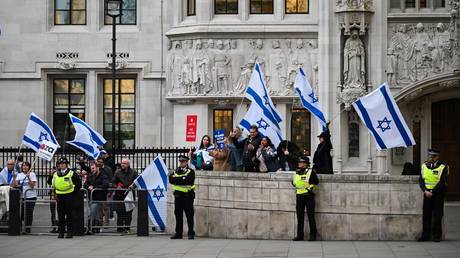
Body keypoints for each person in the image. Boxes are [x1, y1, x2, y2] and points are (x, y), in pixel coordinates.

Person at [418, 149, 449, 242]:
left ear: (437, 157)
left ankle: (437, 235)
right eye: (430, 156)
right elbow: (421, 180)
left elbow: (443, 182)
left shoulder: (443, 167)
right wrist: (425, 191)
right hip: (427, 194)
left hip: (438, 194)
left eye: (433, 156)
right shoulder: (424, 165)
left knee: (438, 215)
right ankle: (425, 235)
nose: (431, 158)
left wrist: (432, 192)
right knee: (426, 215)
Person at [52, 157, 82, 239]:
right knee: (60, 215)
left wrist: (73, 193)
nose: (61, 165)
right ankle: (61, 232)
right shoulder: (55, 174)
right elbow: (50, 182)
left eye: (63, 164)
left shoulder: (71, 173)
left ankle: (69, 232)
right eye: (60, 164)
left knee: (69, 215)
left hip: (69, 196)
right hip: (60, 197)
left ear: (66, 164)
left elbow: (79, 184)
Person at [292, 156, 319, 241]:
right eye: (299, 162)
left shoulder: (311, 172)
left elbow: (316, 182)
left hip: (308, 196)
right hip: (299, 196)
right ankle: (300, 235)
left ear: (305, 164)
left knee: (311, 216)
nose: (299, 163)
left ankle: (313, 235)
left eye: (301, 162)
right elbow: (293, 182)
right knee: (300, 217)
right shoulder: (296, 172)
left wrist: (310, 187)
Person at [169, 155, 196, 239]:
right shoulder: (176, 170)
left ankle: (191, 233)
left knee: (189, 215)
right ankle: (178, 233)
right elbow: (171, 179)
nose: (181, 163)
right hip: (178, 197)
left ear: (187, 162)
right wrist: (182, 179)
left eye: (183, 161)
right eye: (180, 161)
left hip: (188, 197)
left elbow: (188, 180)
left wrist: (178, 179)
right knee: (178, 215)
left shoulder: (190, 171)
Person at [112, 158, 137, 233]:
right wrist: (117, 187)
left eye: (124, 163)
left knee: (129, 212)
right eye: (122, 163)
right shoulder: (117, 172)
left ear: (128, 164)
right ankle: (119, 227)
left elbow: (137, 182)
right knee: (119, 211)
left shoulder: (133, 172)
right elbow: (113, 182)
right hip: (119, 195)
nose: (122, 164)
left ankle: (127, 227)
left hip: (129, 194)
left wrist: (133, 186)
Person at [84, 163, 109, 234]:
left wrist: (94, 187)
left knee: (92, 212)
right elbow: (85, 183)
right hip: (91, 197)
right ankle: (94, 228)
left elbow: (105, 184)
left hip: (98, 198)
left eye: (93, 168)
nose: (92, 170)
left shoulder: (103, 175)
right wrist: (88, 186)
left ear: (97, 168)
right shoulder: (91, 176)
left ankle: (89, 228)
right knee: (94, 214)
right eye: (91, 168)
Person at [13, 161, 37, 234]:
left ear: (29, 167)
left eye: (26, 166)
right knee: (22, 213)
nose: (24, 167)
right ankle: (20, 228)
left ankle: (27, 229)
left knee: (29, 213)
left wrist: (29, 177)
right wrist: (14, 178)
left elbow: (32, 186)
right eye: (23, 166)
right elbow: (16, 185)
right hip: (22, 197)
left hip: (31, 197)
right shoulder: (19, 175)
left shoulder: (32, 174)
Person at [96, 156, 113, 227]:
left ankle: (106, 222)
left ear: (103, 162)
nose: (99, 163)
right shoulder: (96, 168)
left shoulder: (108, 169)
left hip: (106, 190)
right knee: (99, 207)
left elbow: (111, 180)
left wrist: (110, 191)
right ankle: (100, 222)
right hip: (99, 191)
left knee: (106, 207)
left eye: (100, 162)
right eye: (98, 162)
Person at [47, 165, 58, 233]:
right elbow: (49, 182)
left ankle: (59, 226)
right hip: (52, 194)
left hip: (59, 194)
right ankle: (54, 226)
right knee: (53, 211)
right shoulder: (52, 176)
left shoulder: (60, 175)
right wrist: (51, 175)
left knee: (60, 211)